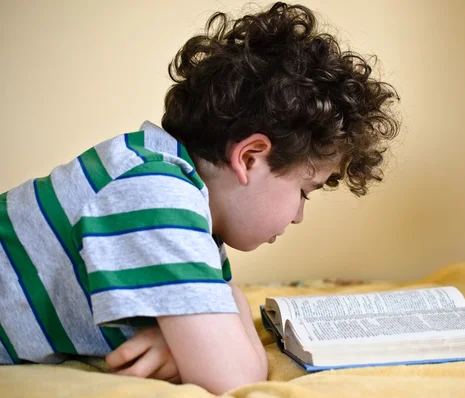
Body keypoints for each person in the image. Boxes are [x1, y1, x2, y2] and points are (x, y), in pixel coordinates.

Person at [0, 2, 399, 394]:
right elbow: (237, 379)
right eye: (303, 193)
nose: (298, 217)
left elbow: (209, 337)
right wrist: (232, 303)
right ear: (250, 157)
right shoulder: (155, 193)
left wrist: (189, 339)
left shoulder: (189, 209)